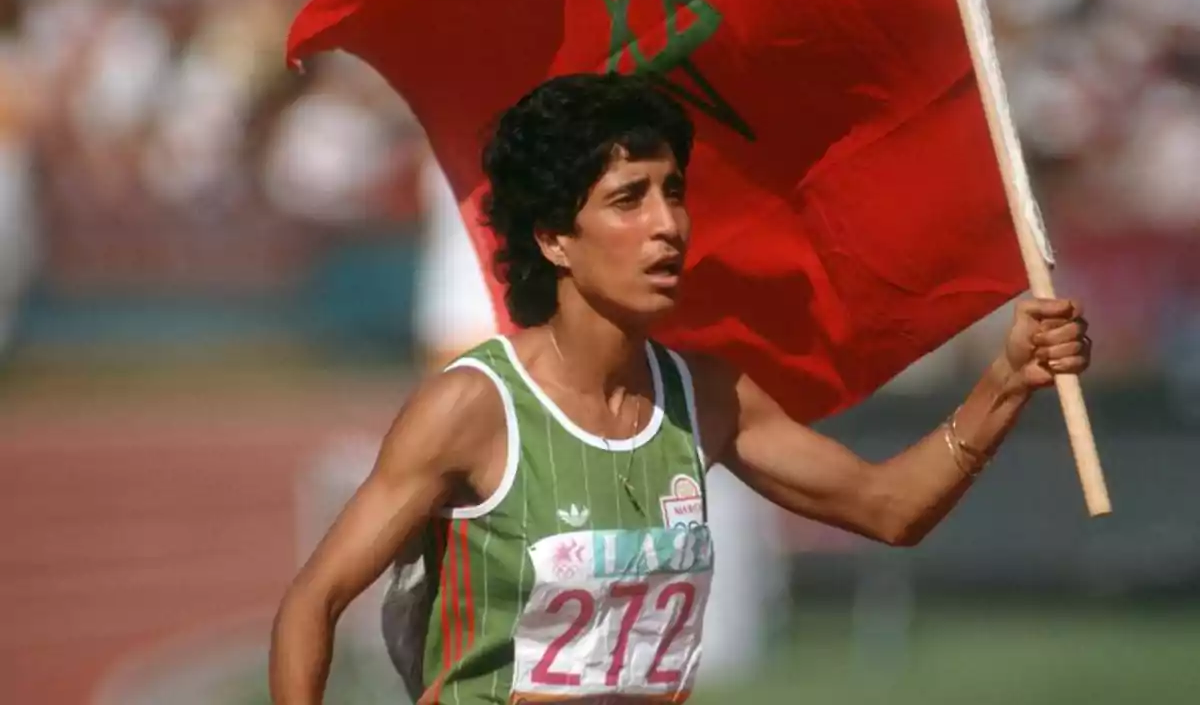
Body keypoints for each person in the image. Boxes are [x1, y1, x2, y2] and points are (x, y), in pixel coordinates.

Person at [269, 73, 1092, 704]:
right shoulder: (472, 410)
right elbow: (313, 602)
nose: (669, 225)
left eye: (674, 192)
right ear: (555, 237)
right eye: (629, 199)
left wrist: (1006, 380)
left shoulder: (707, 397)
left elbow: (889, 508)